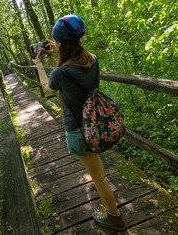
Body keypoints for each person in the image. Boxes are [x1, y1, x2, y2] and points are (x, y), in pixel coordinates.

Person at [32, 14, 125, 230]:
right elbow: (77, 60)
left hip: (78, 132)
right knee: (98, 169)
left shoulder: (61, 72)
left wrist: (39, 64)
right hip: (96, 124)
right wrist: (61, 48)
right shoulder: (92, 59)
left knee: (98, 178)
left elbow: (47, 89)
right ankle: (111, 206)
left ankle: (115, 217)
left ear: (62, 43)